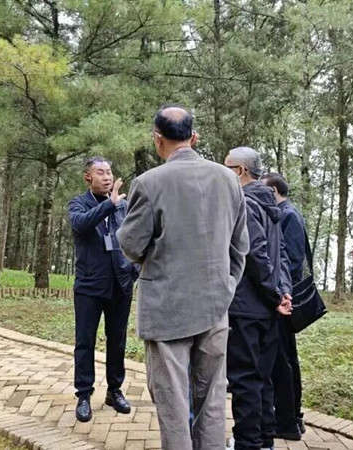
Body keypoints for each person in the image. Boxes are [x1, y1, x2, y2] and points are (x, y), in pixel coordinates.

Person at [117, 105, 249, 450]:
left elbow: (130, 245)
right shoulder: (228, 180)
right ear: (194, 137)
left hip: (167, 308)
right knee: (212, 398)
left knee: (173, 402)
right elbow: (240, 247)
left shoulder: (149, 183)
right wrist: (227, 286)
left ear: (157, 139)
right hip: (216, 305)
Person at [224, 148, 292, 450]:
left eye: (226, 167)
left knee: (245, 378)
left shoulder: (245, 203)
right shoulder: (270, 204)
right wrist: (283, 291)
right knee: (262, 377)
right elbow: (281, 255)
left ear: (240, 171)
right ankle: (264, 440)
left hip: (247, 307)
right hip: (268, 307)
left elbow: (256, 253)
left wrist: (276, 293)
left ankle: (247, 442)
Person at [67, 157, 137, 422]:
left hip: (120, 284)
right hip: (89, 285)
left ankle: (114, 390)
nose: (107, 177)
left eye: (109, 172)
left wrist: (133, 270)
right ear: (88, 177)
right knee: (85, 341)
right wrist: (109, 204)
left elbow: (136, 238)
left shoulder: (124, 207)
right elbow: (81, 224)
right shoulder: (78, 203)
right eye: (101, 172)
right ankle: (84, 394)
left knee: (117, 340)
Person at [261, 172, 306, 439]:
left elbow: (292, 260)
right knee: (285, 359)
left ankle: (288, 420)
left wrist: (283, 293)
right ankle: (292, 418)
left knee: (283, 361)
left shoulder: (288, 215)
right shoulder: (282, 213)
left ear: (274, 190)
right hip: (282, 297)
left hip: (284, 299)